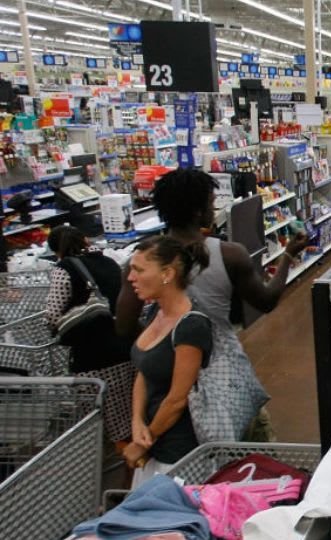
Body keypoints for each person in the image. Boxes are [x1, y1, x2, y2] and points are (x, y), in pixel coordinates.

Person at [115, 169, 308, 441]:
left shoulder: (140, 263)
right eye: (210, 202)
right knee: (246, 451)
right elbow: (266, 301)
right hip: (223, 376)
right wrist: (288, 255)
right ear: (198, 212)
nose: (213, 207)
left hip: (165, 380)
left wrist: (162, 342)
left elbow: (123, 326)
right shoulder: (229, 254)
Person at [122, 237, 214, 488]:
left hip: (179, 453)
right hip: (153, 442)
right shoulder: (156, 311)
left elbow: (177, 399)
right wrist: (137, 421)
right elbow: (144, 371)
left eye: (138, 270)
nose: (131, 277)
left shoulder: (192, 326)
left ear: (167, 274)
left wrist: (143, 441)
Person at [44, 225, 136, 447]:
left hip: (93, 360)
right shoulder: (110, 263)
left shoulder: (64, 269)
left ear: (57, 251)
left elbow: (52, 316)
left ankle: (132, 474)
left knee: (114, 430)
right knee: (132, 420)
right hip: (126, 350)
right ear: (85, 241)